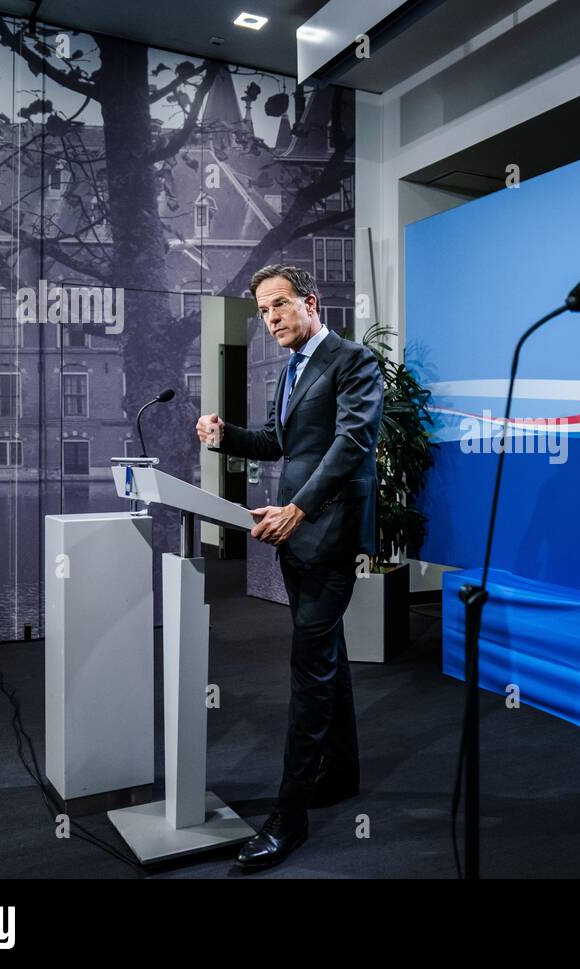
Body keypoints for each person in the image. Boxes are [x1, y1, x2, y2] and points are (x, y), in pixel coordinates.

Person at [196, 265, 383, 870]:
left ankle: (290, 815)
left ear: (311, 301)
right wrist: (226, 436)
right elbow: (280, 442)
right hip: (294, 539)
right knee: (326, 661)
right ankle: (342, 775)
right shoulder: (291, 371)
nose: (271, 318)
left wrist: (299, 509)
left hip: (324, 536)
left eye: (279, 305)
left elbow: (352, 444)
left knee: (309, 670)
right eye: (263, 311)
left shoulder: (352, 361)